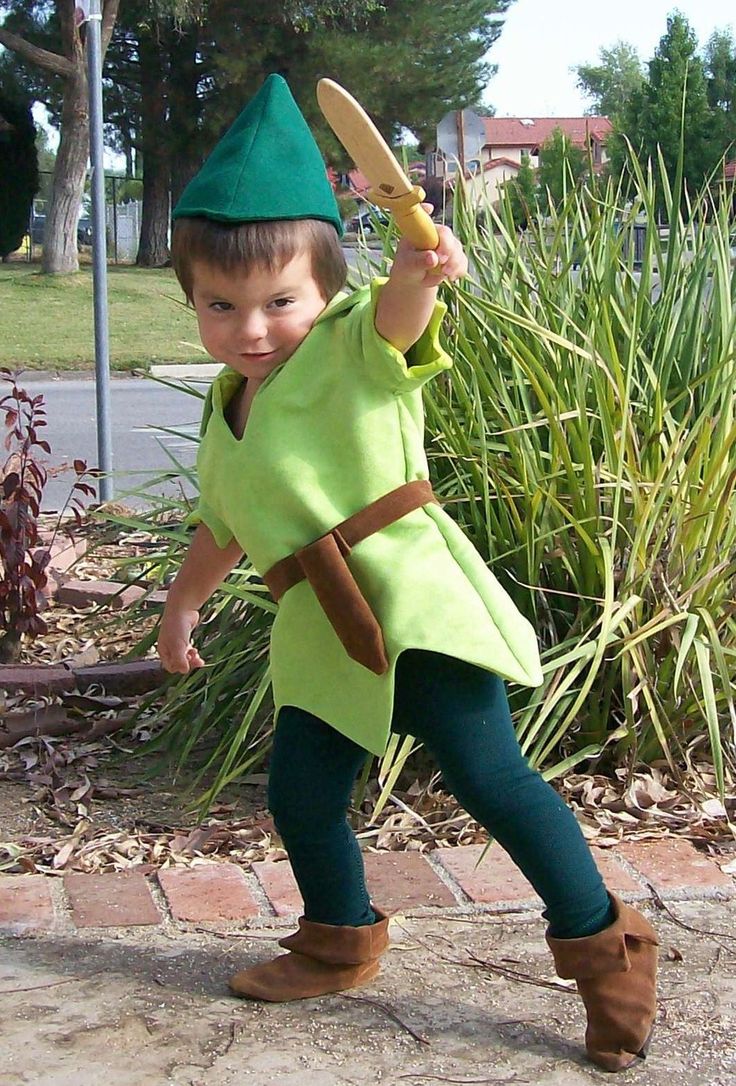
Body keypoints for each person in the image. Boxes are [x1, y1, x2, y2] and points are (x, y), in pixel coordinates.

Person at [156, 74, 658, 1073]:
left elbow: (397, 310)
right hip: (322, 626)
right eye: (222, 304)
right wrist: (182, 605)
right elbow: (225, 521)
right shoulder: (227, 405)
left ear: (326, 289)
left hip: (412, 602)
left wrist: (423, 267)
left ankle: (609, 951)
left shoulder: (352, 344)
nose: (251, 329)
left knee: (490, 777)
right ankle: (338, 939)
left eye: (278, 301)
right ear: (194, 299)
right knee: (301, 791)